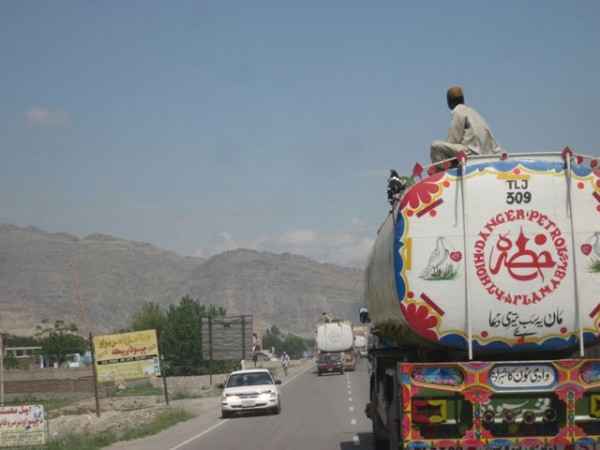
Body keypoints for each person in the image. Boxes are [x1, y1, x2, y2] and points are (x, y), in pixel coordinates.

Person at [430, 86, 500, 165]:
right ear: (463, 99)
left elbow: (452, 140)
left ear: (448, 101)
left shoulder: (458, 112)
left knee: (435, 146)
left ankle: (447, 170)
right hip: (488, 154)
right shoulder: (473, 112)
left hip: (471, 153)